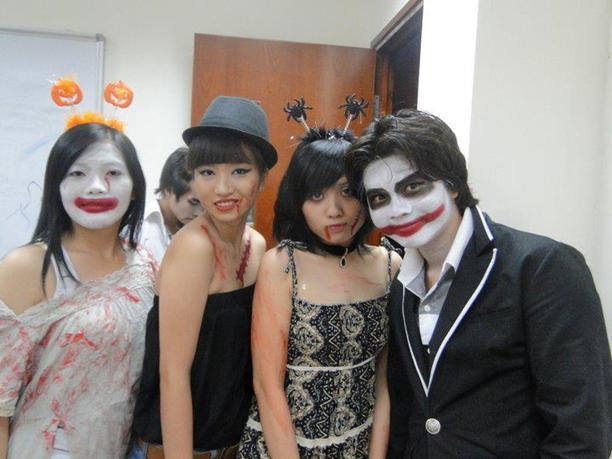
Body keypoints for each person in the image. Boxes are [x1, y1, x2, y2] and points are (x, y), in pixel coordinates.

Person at [344, 109, 612, 458]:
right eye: (380, 198)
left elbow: (581, 430)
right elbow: (407, 410)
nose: (398, 209)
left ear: (453, 184)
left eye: (413, 187)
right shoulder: (401, 285)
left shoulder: (542, 267)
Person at [237, 127, 401, 458]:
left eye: (347, 192)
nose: (334, 210)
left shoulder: (389, 265)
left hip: (357, 443)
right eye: (316, 195)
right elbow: (267, 387)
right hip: (283, 447)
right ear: (297, 202)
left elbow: (384, 381)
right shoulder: (283, 265)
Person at [130, 96, 277, 459]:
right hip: (178, 448)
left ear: (262, 178)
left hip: (230, 444)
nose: (222, 188)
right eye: (207, 172)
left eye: (240, 171)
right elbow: (173, 373)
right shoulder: (193, 248)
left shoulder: (257, 245)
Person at [0, 122, 156, 458]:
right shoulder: (26, 266)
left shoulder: (144, 265)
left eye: (113, 173)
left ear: (135, 188)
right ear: (56, 186)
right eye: (77, 173)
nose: (96, 187)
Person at [140, 147, 203, 265]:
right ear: (169, 190)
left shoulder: (196, 226)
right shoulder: (143, 227)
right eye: (194, 202)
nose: (199, 213)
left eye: (204, 206)